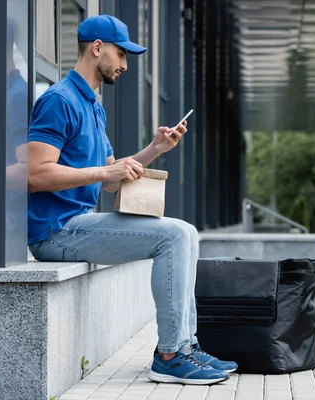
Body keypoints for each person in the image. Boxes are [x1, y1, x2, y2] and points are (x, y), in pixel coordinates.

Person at [26, 14, 237, 385]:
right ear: (97, 48)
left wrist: (155, 149)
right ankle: (170, 356)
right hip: (54, 231)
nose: (124, 65)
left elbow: (112, 179)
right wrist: (104, 173)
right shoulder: (59, 100)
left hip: (77, 226)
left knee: (186, 231)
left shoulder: (92, 105)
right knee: (172, 236)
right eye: (121, 55)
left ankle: (185, 345)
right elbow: (35, 174)